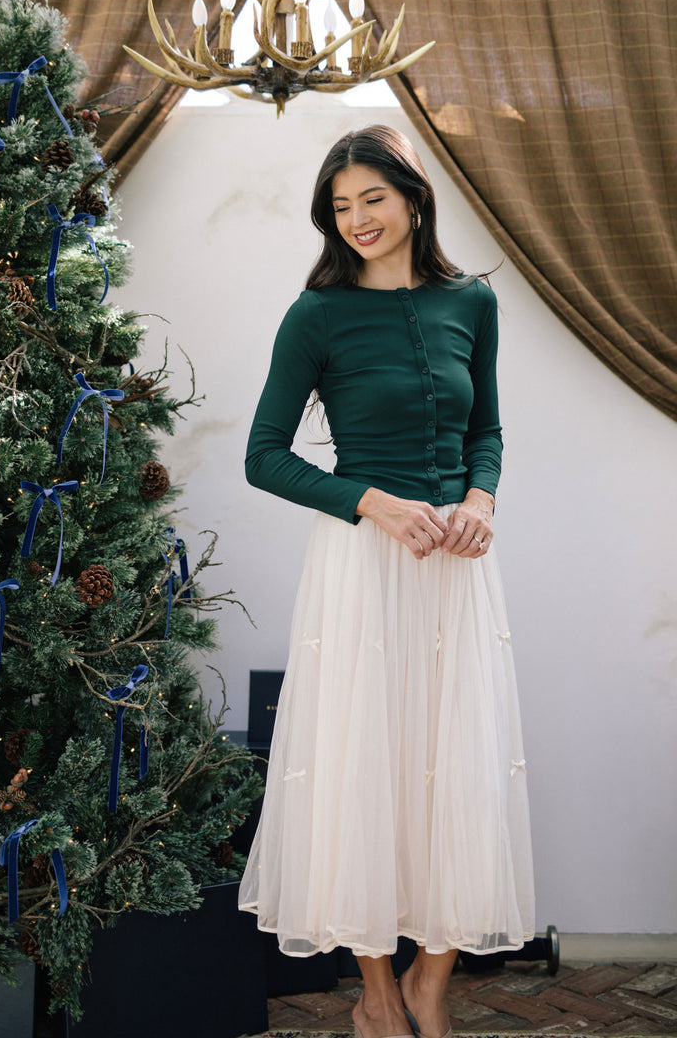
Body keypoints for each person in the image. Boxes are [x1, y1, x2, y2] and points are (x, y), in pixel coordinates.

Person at [237, 125, 535, 1038]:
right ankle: (373, 991)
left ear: (412, 198)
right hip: (364, 569)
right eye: (340, 206)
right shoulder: (315, 314)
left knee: (464, 776)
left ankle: (429, 987)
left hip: (457, 569)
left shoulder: (471, 301)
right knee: (361, 770)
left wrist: (481, 499)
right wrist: (372, 503)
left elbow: (486, 425)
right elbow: (262, 458)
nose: (358, 219)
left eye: (372, 198)